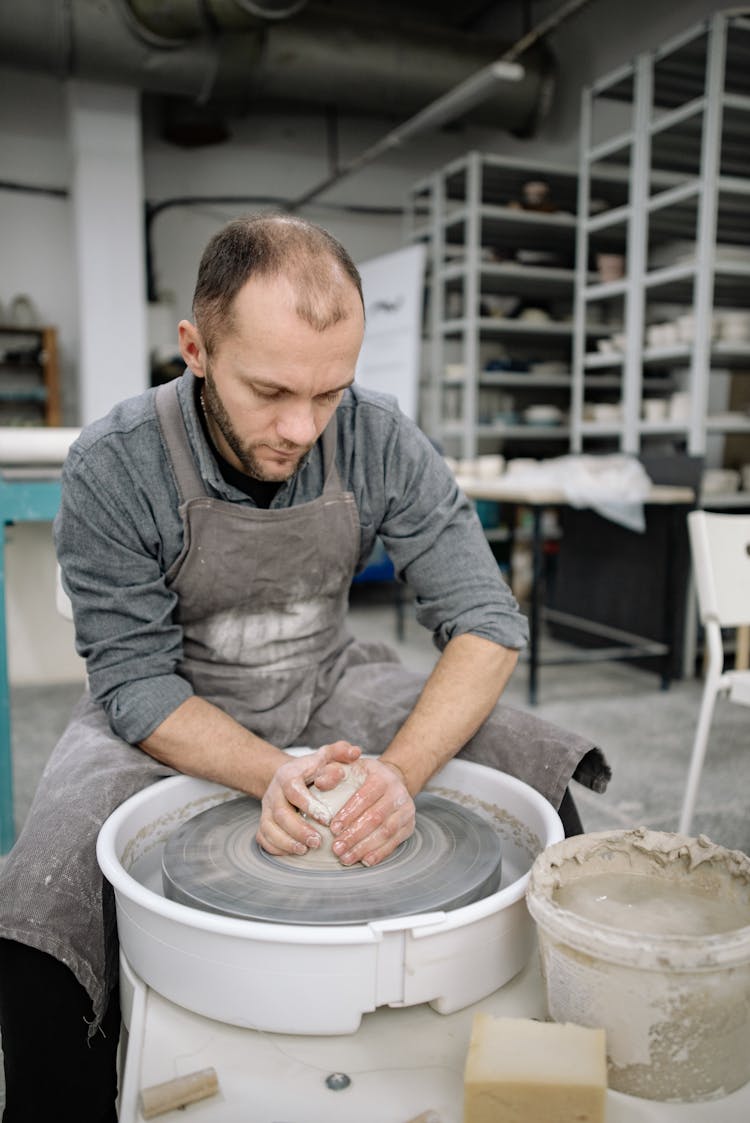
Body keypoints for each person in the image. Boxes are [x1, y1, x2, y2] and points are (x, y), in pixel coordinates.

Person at [0, 214, 610, 1121]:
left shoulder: (375, 434)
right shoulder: (115, 460)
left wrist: (401, 775)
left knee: (541, 777)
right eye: (272, 390)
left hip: (328, 678)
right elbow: (132, 681)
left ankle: (541, 1064)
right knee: (39, 909)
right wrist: (269, 772)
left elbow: (485, 623)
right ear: (196, 348)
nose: (300, 427)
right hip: (170, 706)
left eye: (330, 392)